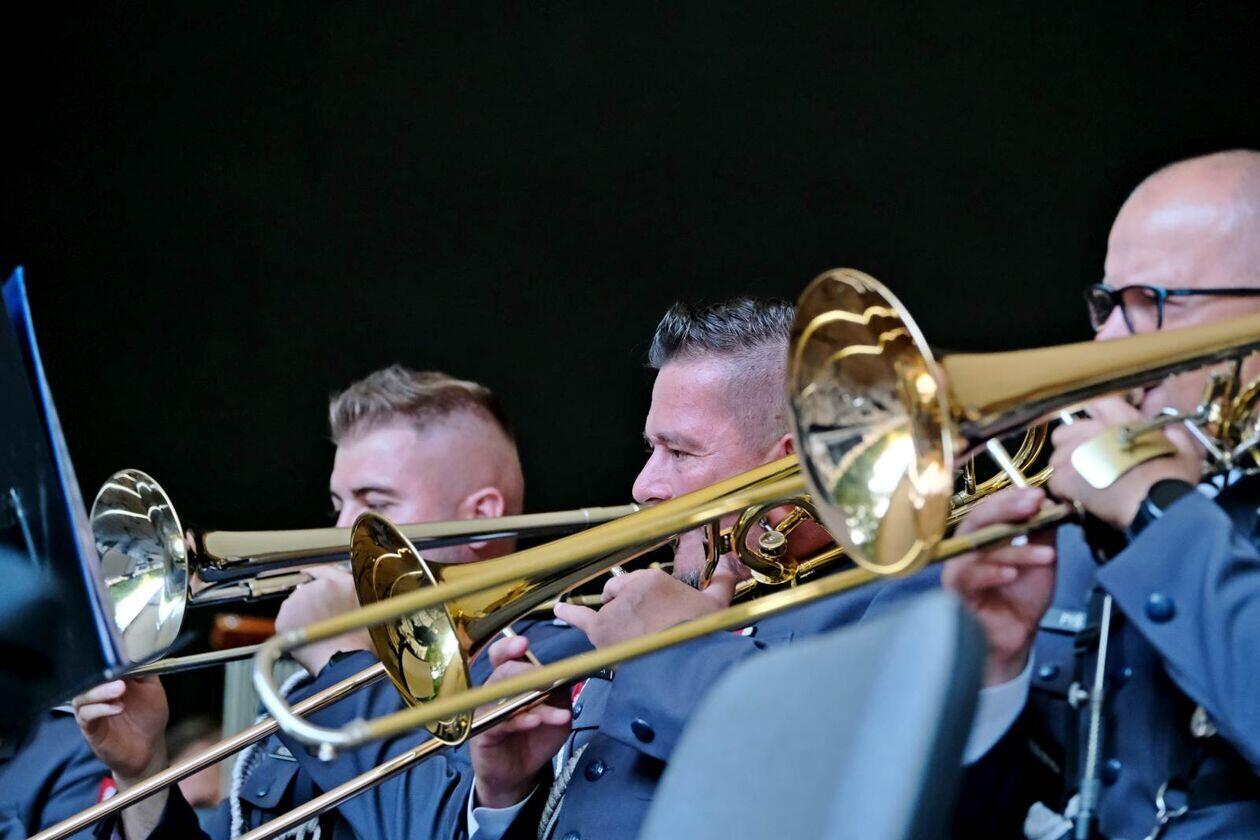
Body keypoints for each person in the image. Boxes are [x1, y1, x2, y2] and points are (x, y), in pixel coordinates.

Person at [453, 297, 927, 840]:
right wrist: (505, 794)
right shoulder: (627, 617)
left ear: (795, 469)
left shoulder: (897, 609)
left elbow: (837, 791)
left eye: (678, 453)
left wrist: (672, 648)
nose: (643, 487)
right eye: (651, 449)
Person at [945, 150, 1260, 838]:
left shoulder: (1145, 509)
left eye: (1153, 302)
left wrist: (1157, 511)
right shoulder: (1080, 538)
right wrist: (994, 669)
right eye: (1109, 304)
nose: (1106, 341)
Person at [73, 366, 527, 838]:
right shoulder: (302, 694)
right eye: (338, 506)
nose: (342, 533)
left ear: (481, 518)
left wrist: (338, 661)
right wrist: (143, 772)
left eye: (377, 505)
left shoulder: (534, 666)